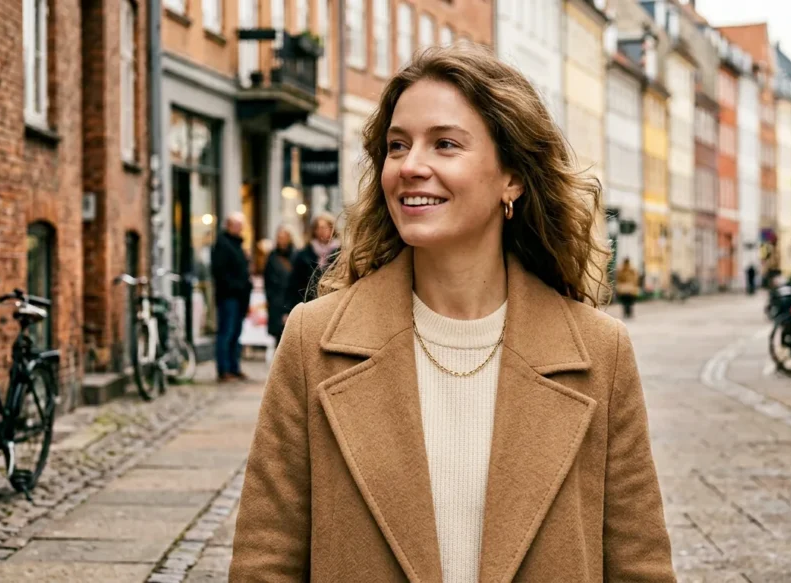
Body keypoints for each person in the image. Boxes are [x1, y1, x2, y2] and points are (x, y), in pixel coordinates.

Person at [230, 44, 675, 582]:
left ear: (511, 177)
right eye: (397, 146)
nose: (412, 166)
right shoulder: (314, 341)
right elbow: (265, 563)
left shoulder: (599, 353)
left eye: (445, 144)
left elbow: (638, 566)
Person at [210, 212, 252, 382]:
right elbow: (220, 273)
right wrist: (236, 286)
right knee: (226, 332)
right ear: (229, 226)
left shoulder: (237, 245)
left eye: (241, 225)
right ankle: (224, 369)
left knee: (235, 333)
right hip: (229, 296)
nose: (240, 228)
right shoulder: (223, 245)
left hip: (239, 296)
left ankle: (234, 367)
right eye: (237, 225)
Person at [284, 213, 340, 311]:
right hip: (309, 306)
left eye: (325, 227)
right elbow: (294, 284)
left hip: (333, 306)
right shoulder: (304, 254)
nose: (322, 231)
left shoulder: (341, 253)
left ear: (332, 229)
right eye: (318, 228)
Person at [262, 225, 296, 346]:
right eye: (279, 237)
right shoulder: (272, 257)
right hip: (277, 301)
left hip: (292, 300)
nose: (281, 240)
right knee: (279, 336)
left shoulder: (296, 256)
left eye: (284, 237)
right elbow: (267, 280)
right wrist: (270, 298)